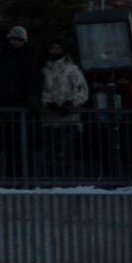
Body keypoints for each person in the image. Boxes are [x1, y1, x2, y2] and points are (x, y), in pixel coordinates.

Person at [0, 26, 44, 178]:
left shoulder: (29, 61)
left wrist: (32, 99)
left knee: (16, 151)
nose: (16, 42)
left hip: (18, 113)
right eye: (14, 39)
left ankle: (15, 180)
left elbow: (35, 84)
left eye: (19, 39)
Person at [39, 40, 90, 178]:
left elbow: (82, 91)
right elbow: (39, 92)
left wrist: (71, 103)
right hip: (49, 120)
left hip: (69, 120)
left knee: (67, 154)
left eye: (58, 47)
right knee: (50, 154)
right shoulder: (43, 70)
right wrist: (48, 103)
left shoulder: (73, 70)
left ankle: (69, 181)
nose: (55, 50)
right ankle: (50, 181)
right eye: (52, 47)